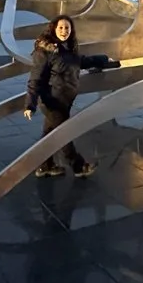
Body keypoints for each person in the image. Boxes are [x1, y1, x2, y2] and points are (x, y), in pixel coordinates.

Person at [22, 15, 119, 177]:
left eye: (67, 28)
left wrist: (104, 59)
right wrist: (29, 104)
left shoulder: (67, 48)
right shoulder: (45, 51)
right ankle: (78, 167)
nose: (64, 31)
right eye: (60, 27)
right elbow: (35, 78)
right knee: (64, 133)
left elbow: (82, 61)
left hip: (65, 100)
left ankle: (44, 166)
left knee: (49, 133)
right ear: (53, 28)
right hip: (51, 101)